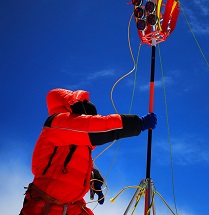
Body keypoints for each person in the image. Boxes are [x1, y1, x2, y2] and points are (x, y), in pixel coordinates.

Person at [19, 88, 157, 215]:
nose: (90, 119)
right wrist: (138, 123)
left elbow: (68, 163)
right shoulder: (57, 123)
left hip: (71, 207)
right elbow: (96, 129)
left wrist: (92, 176)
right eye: (89, 116)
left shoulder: (78, 139)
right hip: (44, 208)